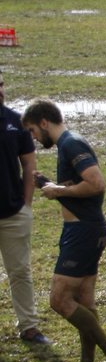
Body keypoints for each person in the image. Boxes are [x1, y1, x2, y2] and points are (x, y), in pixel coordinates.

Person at [22, 99, 106, 362]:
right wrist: (49, 184)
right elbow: (78, 186)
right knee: (84, 300)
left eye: (33, 131)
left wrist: (58, 191)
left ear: (44, 122)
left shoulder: (71, 143)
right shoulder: (69, 144)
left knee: (60, 300)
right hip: (87, 230)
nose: (34, 138)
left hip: (82, 233)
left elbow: (96, 183)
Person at [0, 69, 49, 344]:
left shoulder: (14, 122)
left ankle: (29, 326)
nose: (0, 91)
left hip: (13, 212)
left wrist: (26, 205)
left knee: (20, 271)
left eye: (1, 85)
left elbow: (29, 163)